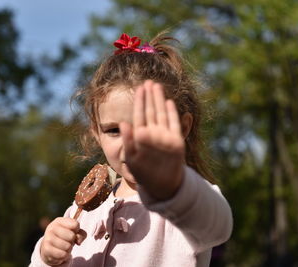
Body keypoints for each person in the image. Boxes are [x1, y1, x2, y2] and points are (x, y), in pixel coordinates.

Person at [29, 32, 233, 267]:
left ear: (182, 127)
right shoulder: (80, 212)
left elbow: (218, 226)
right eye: (113, 130)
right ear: (96, 133)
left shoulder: (183, 203)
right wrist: (47, 257)